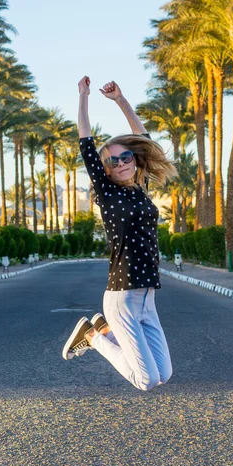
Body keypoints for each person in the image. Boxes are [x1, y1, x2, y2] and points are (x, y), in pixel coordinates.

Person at [62, 76, 177, 391]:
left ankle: (102, 330)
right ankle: (94, 337)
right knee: (146, 380)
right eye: (113, 161)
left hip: (146, 297)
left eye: (127, 156)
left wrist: (121, 100)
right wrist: (83, 96)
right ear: (107, 168)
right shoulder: (107, 192)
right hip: (122, 297)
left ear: (134, 160)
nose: (122, 163)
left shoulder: (141, 189)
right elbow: (86, 143)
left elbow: (142, 137)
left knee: (164, 374)